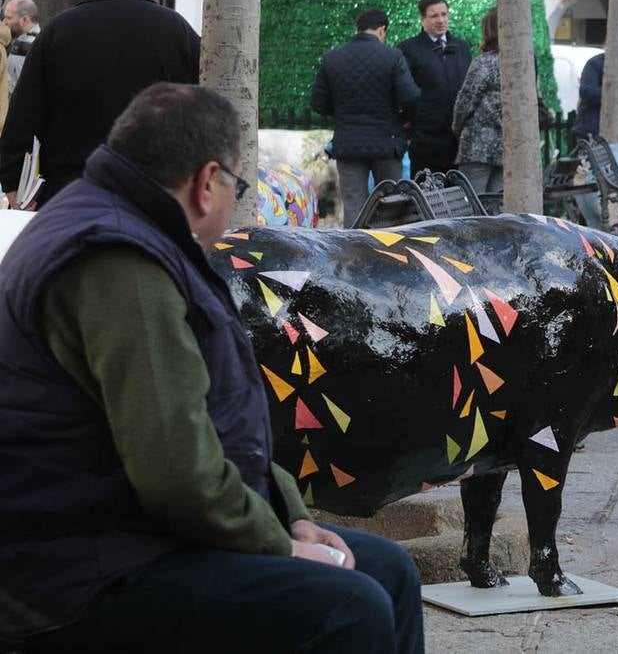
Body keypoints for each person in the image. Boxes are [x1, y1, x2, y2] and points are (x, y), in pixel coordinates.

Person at [0, 83, 424, 652]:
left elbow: (211, 429)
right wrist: (276, 545)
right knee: (351, 607)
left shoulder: (122, 227)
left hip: (125, 531)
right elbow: (177, 472)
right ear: (206, 183)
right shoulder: (119, 262)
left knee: (388, 570)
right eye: (237, 184)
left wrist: (290, 514)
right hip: (76, 573)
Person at [0, 0, 199, 208]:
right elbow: (205, 108)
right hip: (155, 192)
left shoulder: (57, 32)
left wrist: (13, 182)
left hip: (71, 193)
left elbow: (24, 114)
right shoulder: (177, 30)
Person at [310, 7, 420, 227]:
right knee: (392, 204)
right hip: (387, 142)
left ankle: (356, 253)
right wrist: (403, 122)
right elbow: (411, 97)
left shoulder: (332, 58)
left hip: (349, 143)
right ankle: (392, 253)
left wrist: (343, 112)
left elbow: (318, 103)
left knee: (353, 204)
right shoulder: (393, 56)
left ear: (357, 30)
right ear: (382, 30)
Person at [398, 0, 472, 177]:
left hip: (458, 140)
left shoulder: (461, 48)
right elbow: (403, 92)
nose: (441, 20)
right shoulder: (409, 49)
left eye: (444, 14)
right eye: (434, 16)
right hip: (426, 140)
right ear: (422, 19)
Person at [453, 6, 507, 195]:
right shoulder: (519, 62)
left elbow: (466, 99)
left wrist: (457, 128)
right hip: (506, 145)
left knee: (472, 203)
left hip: (477, 145)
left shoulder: (484, 62)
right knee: (497, 205)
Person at [3, 0, 40, 99]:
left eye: (9, 18)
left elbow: (19, 89)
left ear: (25, 20)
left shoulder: (33, 46)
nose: (4, 22)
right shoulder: (20, 39)